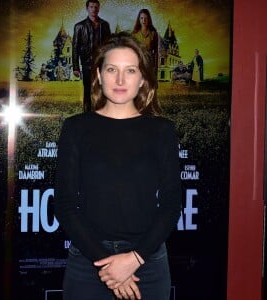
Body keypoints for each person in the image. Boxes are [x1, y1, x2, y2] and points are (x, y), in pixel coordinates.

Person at [55, 32, 181, 300]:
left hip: (147, 262)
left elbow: (172, 204)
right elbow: (65, 205)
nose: (120, 80)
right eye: (112, 69)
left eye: (130, 70)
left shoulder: (162, 131)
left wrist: (134, 258)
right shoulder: (76, 129)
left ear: (142, 78)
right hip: (89, 261)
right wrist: (108, 265)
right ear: (99, 75)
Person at [72, 0, 111, 112]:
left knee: (102, 91)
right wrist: (76, 67)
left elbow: (109, 46)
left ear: (99, 9)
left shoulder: (104, 25)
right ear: (87, 8)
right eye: (91, 7)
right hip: (87, 64)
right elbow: (75, 47)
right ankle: (87, 116)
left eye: (96, 7)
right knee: (88, 91)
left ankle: (101, 115)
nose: (94, 9)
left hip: (101, 64)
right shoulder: (79, 26)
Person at [132, 9, 159, 75]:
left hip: (150, 63)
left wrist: (155, 68)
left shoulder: (153, 33)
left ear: (148, 19)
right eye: (141, 18)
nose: (143, 20)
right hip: (138, 63)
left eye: (146, 18)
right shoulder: (134, 34)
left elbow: (156, 52)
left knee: (150, 84)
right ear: (139, 19)